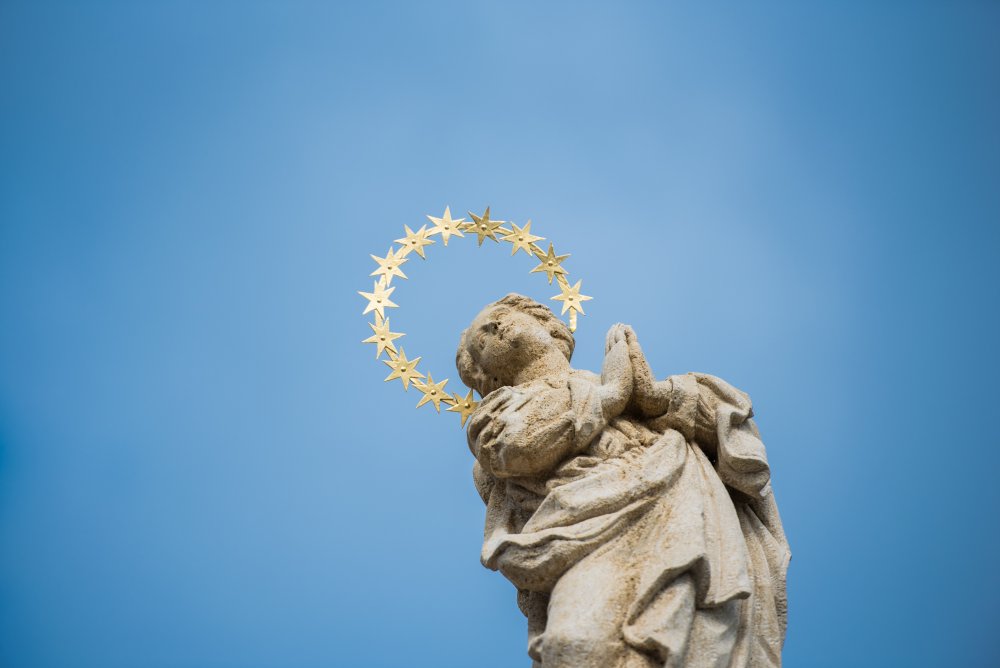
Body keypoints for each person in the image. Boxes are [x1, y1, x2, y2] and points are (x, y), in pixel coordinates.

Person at [457, 294, 790, 668]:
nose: (496, 326)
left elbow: (733, 436)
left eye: (502, 316)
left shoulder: (627, 381)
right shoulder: (497, 413)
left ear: (549, 325)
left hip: (677, 513)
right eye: (483, 338)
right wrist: (611, 394)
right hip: (581, 532)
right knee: (573, 644)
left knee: (692, 641)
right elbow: (516, 447)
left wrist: (655, 396)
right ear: (488, 375)